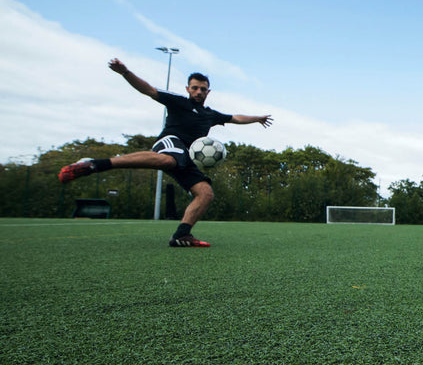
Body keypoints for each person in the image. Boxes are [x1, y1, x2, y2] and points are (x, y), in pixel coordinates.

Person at [58, 58, 273, 247]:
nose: (199, 92)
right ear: (188, 89)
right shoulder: (178, 101)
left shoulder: (210, 114)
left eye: (203, 89)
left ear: (208, 92)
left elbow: (235, 118)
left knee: (205, 193)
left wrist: (257, 118)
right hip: (170, 142)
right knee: (170, 160)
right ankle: (96, 163)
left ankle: (182, 235)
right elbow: (148, 90)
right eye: (195, 88)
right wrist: (125, 72)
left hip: (188, 157)